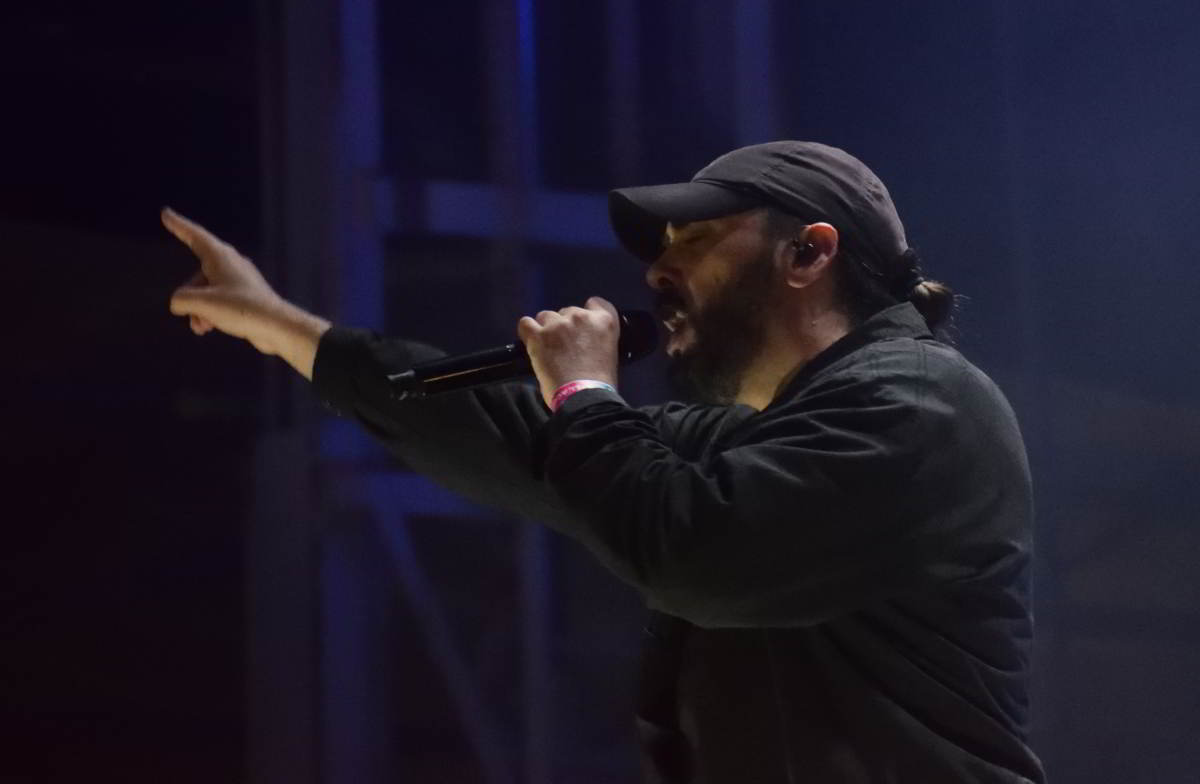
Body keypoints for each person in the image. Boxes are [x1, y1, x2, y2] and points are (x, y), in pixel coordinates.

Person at [165, 141, 1045, 783]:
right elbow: (518, 436)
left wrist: (586, 391)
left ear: (808, 252)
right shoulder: (776, 433)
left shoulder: (919, 402)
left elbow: (695, 556)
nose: (657, 270)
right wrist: (279, 324)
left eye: (694, 237)